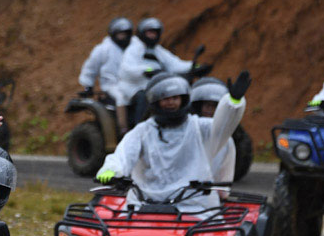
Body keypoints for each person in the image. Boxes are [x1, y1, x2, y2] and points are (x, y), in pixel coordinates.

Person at [96, 72, 250, 213]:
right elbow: (123, 154)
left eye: (175, 98)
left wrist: (233, 103)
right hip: (145, 203)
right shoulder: (142, 130)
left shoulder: (200, 127)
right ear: (155, 101)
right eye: (165, 98)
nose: (170, 102)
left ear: (183, 100)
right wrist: (112, 170)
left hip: (194, 205)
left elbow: (224, 126)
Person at [119, 18, 207, 129]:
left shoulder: (158, 50)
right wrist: (147, 70)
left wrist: (195, 67)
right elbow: (127, 69)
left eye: (154, 33)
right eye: (149, 32)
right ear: (142, 33)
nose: (152, 35)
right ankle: (139, 127)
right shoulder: (134, 49)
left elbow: (175, 64)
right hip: (134, 86)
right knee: (143, 97)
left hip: (154, 84)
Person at [79, 17, 134, 132]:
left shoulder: (134, 48)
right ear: (113, 34)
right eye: (120, 34)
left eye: (126, 34)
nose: (123, 37)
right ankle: (123, 129)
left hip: (132, 83)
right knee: (121, 97)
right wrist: (88, 85)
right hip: (112, 85)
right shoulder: (103, 49)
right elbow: (90, 68)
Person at [188, 76, 237, 185]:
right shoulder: (186, 132)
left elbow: (226, 172)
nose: (210, 109)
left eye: (215, 106)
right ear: (197, 106)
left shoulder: (226, 140)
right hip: (183, 190)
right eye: (207, 105)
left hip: (210, 192)